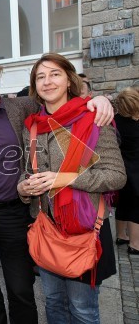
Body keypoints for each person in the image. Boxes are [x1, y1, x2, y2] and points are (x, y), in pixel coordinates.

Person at [0, 52, 114, 324]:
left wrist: (98, 99)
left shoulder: (23, 107)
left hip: (17, 212)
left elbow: (63, 101)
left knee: (21, 287)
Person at [18, 52, 126, 323]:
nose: (47, 81)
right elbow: (27, 172)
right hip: (47, 231)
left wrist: (66, 178)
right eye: (40, 76)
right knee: (53, 304)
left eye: (55, 74)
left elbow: (116, 176)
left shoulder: (92, 118)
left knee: (82, 310)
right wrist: (24, 188)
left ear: (69, 80)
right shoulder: (32, 128)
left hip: (84, 231)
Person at [114, 84, 139, 255]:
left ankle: (121, 236)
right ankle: (135, 244)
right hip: (136, 170)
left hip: (121, 170)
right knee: (136, 208)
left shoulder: (115, 122)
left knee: (122, 204)